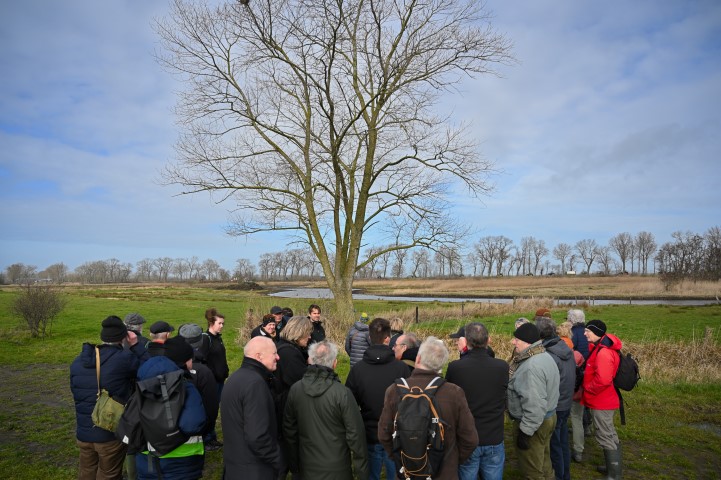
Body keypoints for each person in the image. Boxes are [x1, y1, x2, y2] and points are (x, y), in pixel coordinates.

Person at [378, 336, 478, 480]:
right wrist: (451, 459)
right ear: (441, 365)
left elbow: (383, 434)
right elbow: (470, 439)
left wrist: (400, 458)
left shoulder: (394, 390)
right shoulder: (454, 392)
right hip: (445, 473)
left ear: (418, 359)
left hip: (406, 472)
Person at [70, 315, 146, 480]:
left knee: (86, 471)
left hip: (84, 432)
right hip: (109, 432)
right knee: (109, 474)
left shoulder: (78, 361)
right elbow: (149, 368)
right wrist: (135, 345)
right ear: (123, 337)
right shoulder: (124, 359)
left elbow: (75, 390)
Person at [284, 341, 369, 480]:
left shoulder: (295, 389)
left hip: (307, 466)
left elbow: (290, 431)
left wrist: (294, 466)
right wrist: (362, 474)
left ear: (309, 360)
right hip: (337, 469)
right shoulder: (343, 393)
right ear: (335, 363)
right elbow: (356, 436)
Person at [346, 318, 410, 480]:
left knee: (371, 474)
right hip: (394, 433)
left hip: (369, 431)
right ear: (388, 338)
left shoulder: (358, 369)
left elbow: (350, 403)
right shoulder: (401, 368)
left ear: (370, 337)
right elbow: (409, 402)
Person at [135, 337, 206, 480]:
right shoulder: (187, 388)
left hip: (147, 459)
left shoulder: (142, 386)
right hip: (181, 461)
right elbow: (192, 425)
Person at [446, 323, 509, 480]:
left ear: (466, 342)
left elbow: (450, 399)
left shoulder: (456, 367)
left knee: (467, 474)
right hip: (493, 435)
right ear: (488, 340)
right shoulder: (501, 367)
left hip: (467, 436)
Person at [222, 337, 282, 479]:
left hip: (235, 465)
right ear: (259, 356)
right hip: (254, 470)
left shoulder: (236, 377)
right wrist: (277, 459)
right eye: (274, 353)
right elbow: (257, 436)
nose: (278, 357)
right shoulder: (255, 383)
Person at [507, 322, 560, 480]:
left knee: (532, 470)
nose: (513, 342)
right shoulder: (544, 356)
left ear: (527, 342)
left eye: (517, 339)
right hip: (548, 417)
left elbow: (535, 405)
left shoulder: (531, 366)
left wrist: (525, 431)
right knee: (543, 460)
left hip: (534, 423)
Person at [581, 320, 623, 479]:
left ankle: (614, 474)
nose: (585, 334)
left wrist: (588, 388)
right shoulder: (600, 347)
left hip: (602, 401)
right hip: (604, 399)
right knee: (609, 433)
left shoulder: (603, 353)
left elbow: (603, 380)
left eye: (587, 331)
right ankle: (612, 467)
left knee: (605, 434)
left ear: (597, 332)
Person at [536, 317, 576, 480]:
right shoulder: (564, 347)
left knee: (554, 445)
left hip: (555, 404)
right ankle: (565, 473)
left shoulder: (549, 354)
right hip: (566, 401)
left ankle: (559, 475)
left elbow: (547, 382)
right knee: (563, 441)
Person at [178, 323, 220, 443]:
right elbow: (211, 404)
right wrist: (208, 428)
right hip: (197, 425)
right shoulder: (204, 371)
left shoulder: (171, 362)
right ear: (200, 342)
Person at [197, 308, 229, 450]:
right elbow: (201, 360)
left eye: (223, 323)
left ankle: (211, 436)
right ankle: (207, 439)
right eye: (220, 323)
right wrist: (210, 376)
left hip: (220, 380)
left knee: (214, 409)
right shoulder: (206, 338)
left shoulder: (217, 338)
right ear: (211, 323)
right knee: (210, 409)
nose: (222, 326)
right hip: (212, 382)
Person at [567, 308, 590, 462]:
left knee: (575, 414)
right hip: (587, 375)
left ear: (572, 320)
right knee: (581, 409)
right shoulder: (588, 333)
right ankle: (587, 429)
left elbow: (571, 356)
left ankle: (577, 450)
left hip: (574, 377)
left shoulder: (573, 335)